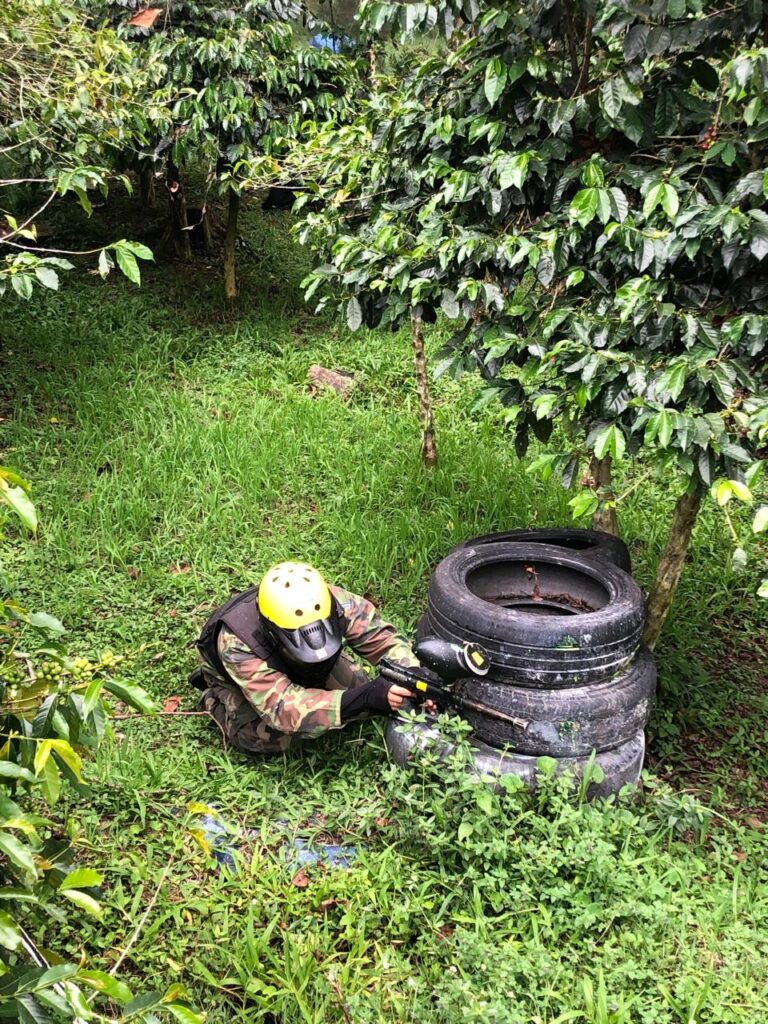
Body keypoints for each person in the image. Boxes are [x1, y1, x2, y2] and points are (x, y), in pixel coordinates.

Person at [191, 561, 424, 754]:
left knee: (357, 685)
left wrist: (411, 675)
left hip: (297, 664)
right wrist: (363, 699)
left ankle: (311, 682)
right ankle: (212, 701)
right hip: (246, 680)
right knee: (269, 738)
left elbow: (382, 640)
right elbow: (281, 709)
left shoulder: (333, 601)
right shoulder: (236, 643)